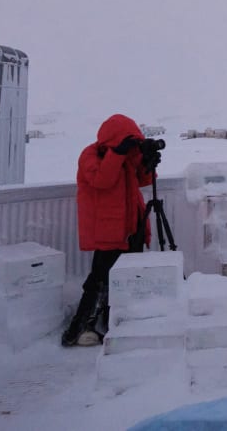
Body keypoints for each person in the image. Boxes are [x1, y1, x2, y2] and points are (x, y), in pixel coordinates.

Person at [61, 113, 158, 347]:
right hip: (107, 228)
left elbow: (144, 181)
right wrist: (118, 152)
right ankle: (81, 326)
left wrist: (148, 161)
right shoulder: (91, 155)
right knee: (100, 278)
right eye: (128, 140)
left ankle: (118, 320)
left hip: (130, 225)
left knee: (129, 278)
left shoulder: (123, 158)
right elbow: (102, 180)